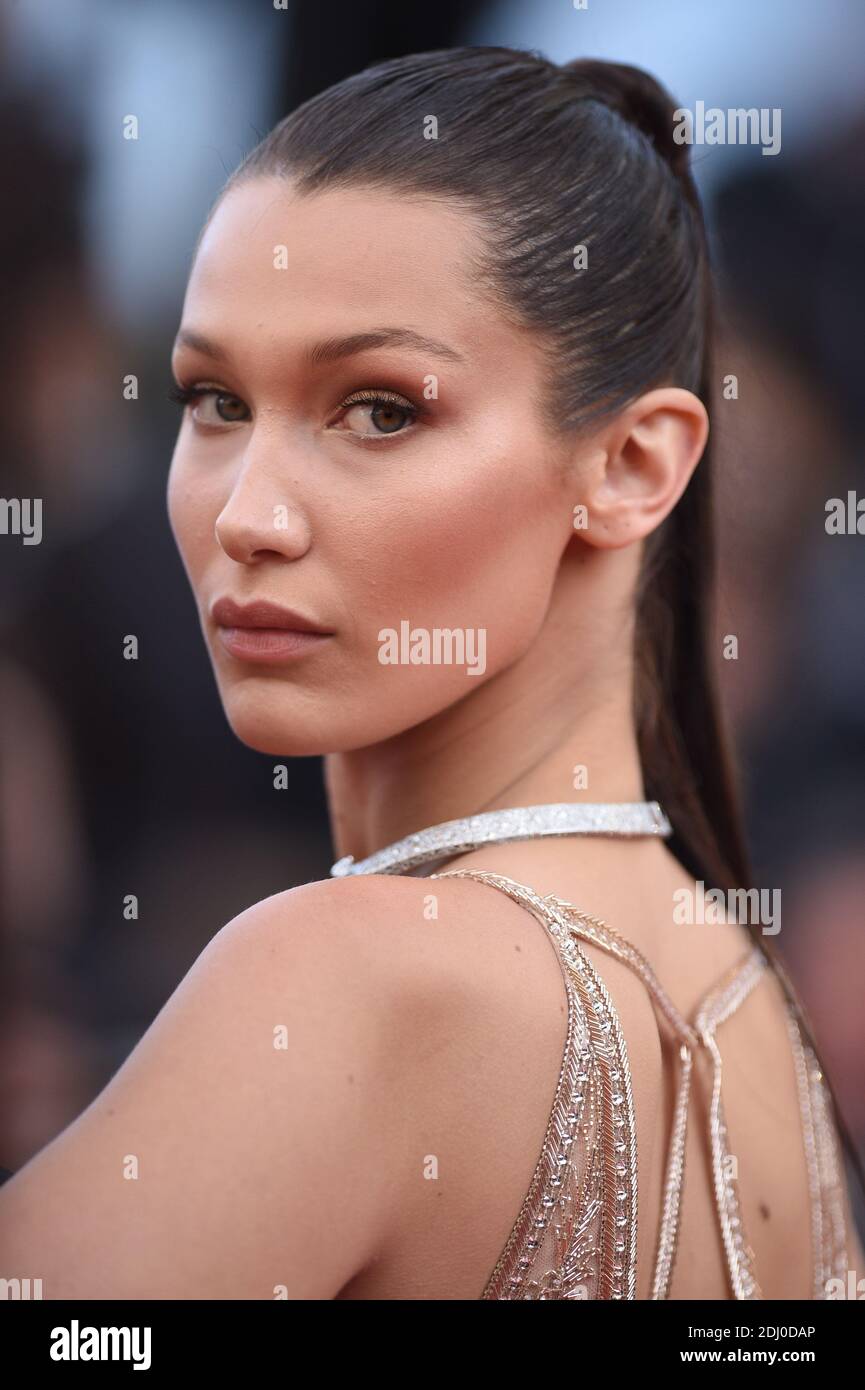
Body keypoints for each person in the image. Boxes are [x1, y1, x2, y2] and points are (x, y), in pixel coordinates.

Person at [1, 46, 862, 1300]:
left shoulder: (349, 978)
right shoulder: (745, 1000)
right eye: (214, 400)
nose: (251, 513)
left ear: (630, 466)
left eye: (380, 408)